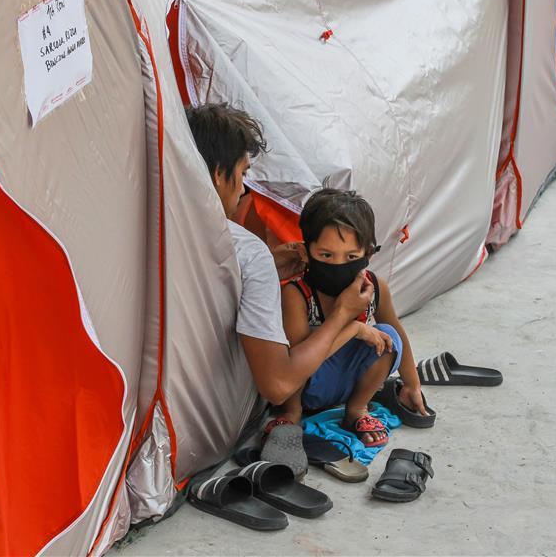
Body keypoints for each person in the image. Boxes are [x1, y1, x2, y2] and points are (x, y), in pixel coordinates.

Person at [184, 104, 374, 458]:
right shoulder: (245, 251)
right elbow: (278, 384)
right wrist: (344, 319)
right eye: (242, 174)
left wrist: (266, 271)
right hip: (202, 432)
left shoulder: (142, 224)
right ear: (218, 175)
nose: (244, 191)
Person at [271, 188, 429, 447]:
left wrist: (412, 385)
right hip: (306, 385)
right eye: (326, 255)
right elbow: (296, 362)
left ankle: (357, 409)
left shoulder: (375, 287)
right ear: (305, 252)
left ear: (368, 254)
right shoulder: (297, 294)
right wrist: (355, 329)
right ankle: (292, 413)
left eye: (352, 257)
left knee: (389, 336)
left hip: (349, 383)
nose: (338, 265)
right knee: (302, 355)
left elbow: (398, 332)